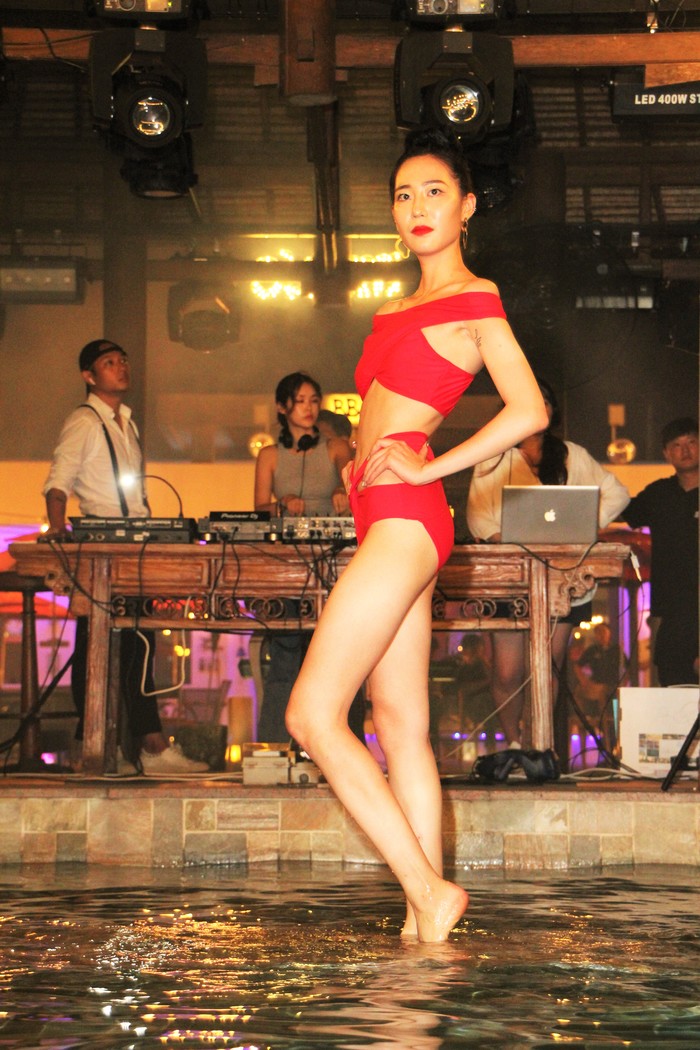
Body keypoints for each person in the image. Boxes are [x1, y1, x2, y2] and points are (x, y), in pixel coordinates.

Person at [284, 126, 549, 943]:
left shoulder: (476, 296)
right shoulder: (392, 308)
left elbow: (529, 410)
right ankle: (424, 923)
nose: (417, 206)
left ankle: (429, 892)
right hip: (383, 514)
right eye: (404, 195)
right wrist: (357, 466)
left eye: (435, 191)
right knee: (399, 727)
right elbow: (383, 415)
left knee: (311, 716)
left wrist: (432, 467)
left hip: (407, 515)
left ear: (467, 207)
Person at [42, 339, 209, 775]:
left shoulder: (126, 423)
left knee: (138, 643)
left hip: (134, 544)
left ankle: (132, 746)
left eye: (123, 360)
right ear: (89, 376)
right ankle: (102, 746)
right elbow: (58, 481)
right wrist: (58, 531)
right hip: (102, 547)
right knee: (95, 645)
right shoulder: (84, 421)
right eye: (109, 363)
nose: (121, 368)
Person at [466, 377, 630, 750]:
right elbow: (477, 515)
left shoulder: (572, 455)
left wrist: (585, 525)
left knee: (548, 667)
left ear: (552, 412)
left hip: (563, 575)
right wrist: (500, 536)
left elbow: (617, 493)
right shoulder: (493, 456)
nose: (536, 407)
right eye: (527, 400)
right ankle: (513, 744)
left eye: (544, 401)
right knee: (507, 671)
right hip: (510, 574)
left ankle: (538, 746)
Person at [253, 371, 365, 744]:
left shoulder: (335, 447)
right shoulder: (270, 455)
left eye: (314, 400)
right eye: (300, 401)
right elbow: (259, 507)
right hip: (288, 564)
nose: (309, 408)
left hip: (334, 561)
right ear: (282, 407)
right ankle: (273, 747)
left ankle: (347, 745)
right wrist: (281, 503)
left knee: (342, 655)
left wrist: (342, 492)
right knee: (284, 654)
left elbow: (357, 487)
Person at [623, 417, 699, 686]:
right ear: (666, 453)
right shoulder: (659, 494)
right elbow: (622, 510)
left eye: (692, 442)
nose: (685, 450)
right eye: (677, 445)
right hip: (670, 610)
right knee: (672, 685)